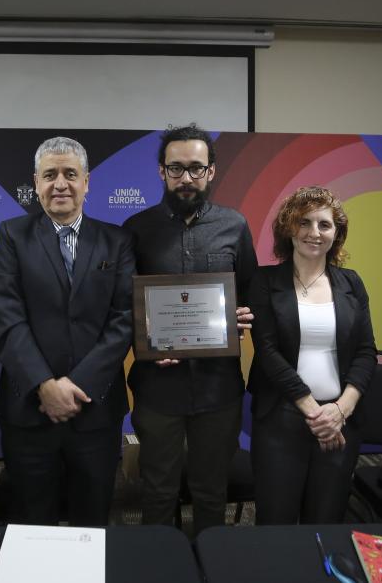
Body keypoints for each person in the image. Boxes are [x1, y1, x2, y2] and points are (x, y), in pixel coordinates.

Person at [0, 136, 134, 526]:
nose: (61, 184)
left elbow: (124, 320)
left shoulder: (116, 240)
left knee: (92, 521)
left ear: (86, 182)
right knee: (31, 522)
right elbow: (7, 316)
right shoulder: (12, 235)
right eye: (50, 174)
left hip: (95, 410)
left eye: (70, 174)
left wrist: (76, 384)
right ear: (35, 182)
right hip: (29, 411)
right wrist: (45, 385)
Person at [122, 124, 257, 535]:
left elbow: (251, 295)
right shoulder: (136, 229)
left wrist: (244, 316)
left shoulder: (234, 225)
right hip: (157, 387)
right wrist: (144, 339)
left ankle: (208, 566)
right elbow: (123, 307)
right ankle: (161, 568)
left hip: (218, 390)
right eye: (176, 169)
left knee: (211, 491)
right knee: (158, 491)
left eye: (196, 169)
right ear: (162, 172)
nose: (186, 178)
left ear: (212, 171)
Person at [247, 186, 377, 524]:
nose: (313, 233)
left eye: (324, 224)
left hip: (340, 421)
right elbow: (268, 352)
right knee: (277, 520)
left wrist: (339, 410)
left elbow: (366, 352)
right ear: (289, 228)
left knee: (327, 517)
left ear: (337, 233)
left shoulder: (352, 283)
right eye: (304, 223)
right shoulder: (263, 281)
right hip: (280, 418)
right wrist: (314, 412)